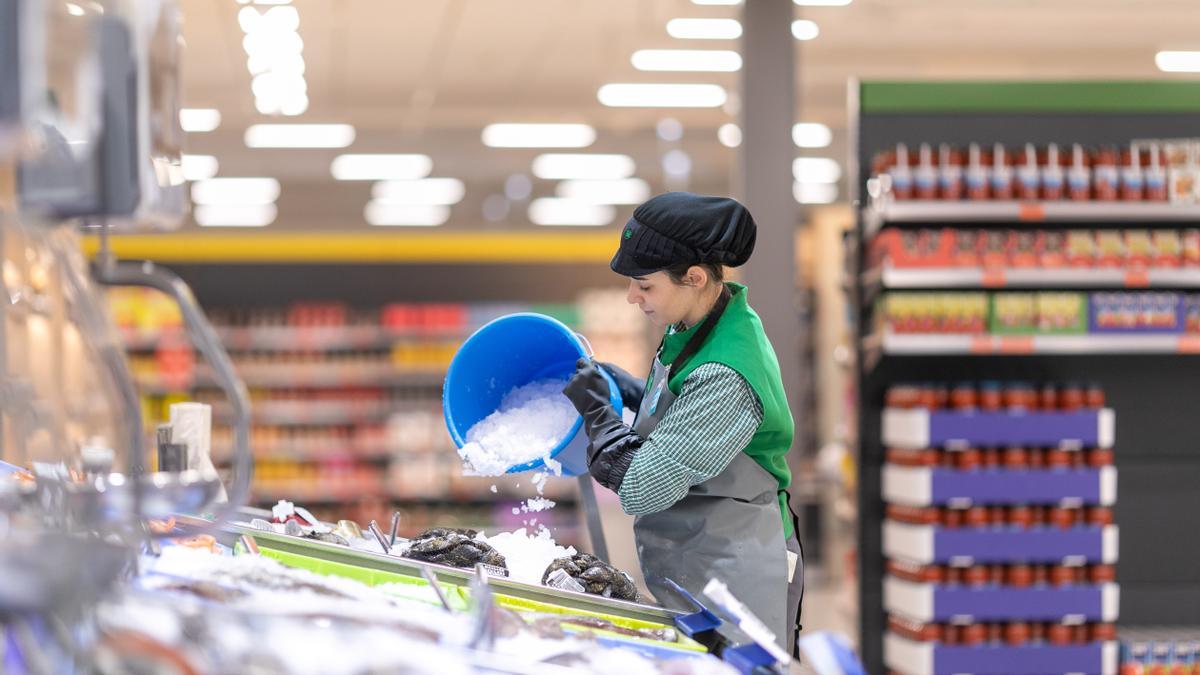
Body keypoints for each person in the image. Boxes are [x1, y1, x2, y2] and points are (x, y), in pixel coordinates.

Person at [562, 192, 804, 654]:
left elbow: (641, 485)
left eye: (645, 286)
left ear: (693, 278)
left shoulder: (726, 372)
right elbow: (682, 413)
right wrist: (630, 390)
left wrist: (599, 415)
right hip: (698, 558)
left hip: (734, 576)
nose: (632, 298)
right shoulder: (693, 325)